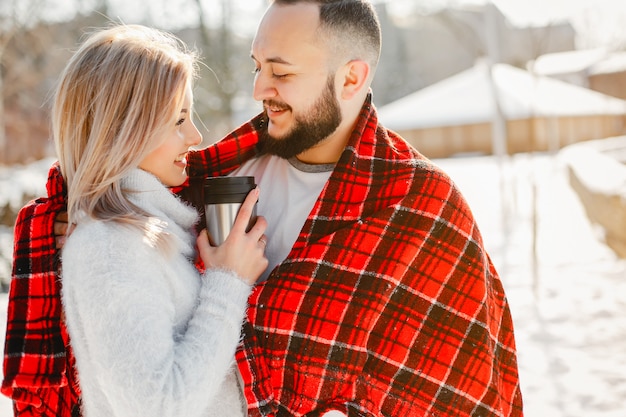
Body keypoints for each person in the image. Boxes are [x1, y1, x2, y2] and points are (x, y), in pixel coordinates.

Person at [4, 1, 524, 416]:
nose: (258, 89)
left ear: (350, 78)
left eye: (279, 71)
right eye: (257, 67)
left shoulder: (421, 205)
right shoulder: (212, 177)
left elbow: (461, 388)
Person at [3, 24, 268, 417]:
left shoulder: (151, 232)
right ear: (124, 128)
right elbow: (160, 404)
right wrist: (228, 282)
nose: (195, 135)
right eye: (179, 120)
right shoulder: (110, 247)